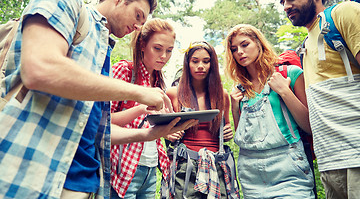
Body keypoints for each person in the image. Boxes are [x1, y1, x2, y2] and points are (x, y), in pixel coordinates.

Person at [0, 0, 190, 199]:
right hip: (32, 171)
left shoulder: (104, 52)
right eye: (138, 15)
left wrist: (147, 134)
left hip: (85, 182)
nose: (139, 26)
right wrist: (139, 93)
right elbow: (40, 68)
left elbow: (99, 131)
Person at [279, 0, 360, 198]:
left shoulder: (342, 14)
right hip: (330, 162)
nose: (286, 6)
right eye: (282, 2)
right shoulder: (305, 46)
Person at [224, 24, 314, 198]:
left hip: (288, 167)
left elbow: (309, 125)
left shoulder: (290, 74)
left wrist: (284, 91)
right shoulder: (240, 90)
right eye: (234, 49)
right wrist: (235, 108)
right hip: (251, 173)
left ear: (259, 43)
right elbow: (244, 137)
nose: (240, 52)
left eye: (245, 44)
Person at [110, 18, 189, 199]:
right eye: (158, 48)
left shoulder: (159, 82)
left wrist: (167, 131)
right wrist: (142, 109)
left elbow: (148, 128)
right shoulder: (125, 70)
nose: (164, 56)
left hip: (151, 167)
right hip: (124, 168)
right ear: (143, 45)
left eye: (169, 51)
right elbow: (103, 120)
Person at [165, 41, 240, 199]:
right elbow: (161, 130)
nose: (201, 66)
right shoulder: (173, 93)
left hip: (217, 164)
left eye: (206, 61)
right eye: (195, 61)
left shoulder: (222, 95)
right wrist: (168, 134)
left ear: (212, 64)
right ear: (187, 63)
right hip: (185, 165)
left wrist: (227, 132)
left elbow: (226, 129)